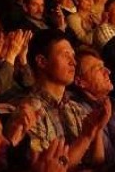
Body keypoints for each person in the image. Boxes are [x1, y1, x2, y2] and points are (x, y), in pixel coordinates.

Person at [21, 29, 109, 163]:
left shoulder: (75, 109)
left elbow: (97, 165)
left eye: (73, 56)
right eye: (65, 55)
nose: (73, 62)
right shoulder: (29, 111)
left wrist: (97, 130)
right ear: (42, 61)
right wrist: (85, 137)